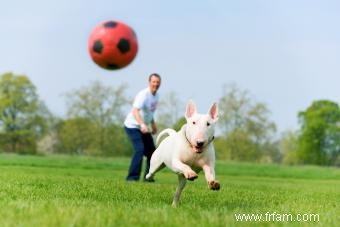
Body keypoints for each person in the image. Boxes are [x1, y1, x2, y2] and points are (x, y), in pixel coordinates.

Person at [124, 73, 161, 182]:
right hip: (133, 126)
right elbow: (135, 111)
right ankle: (132, 178)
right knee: (139, 150)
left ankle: (148, 178)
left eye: (158, 82)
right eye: (153, 82)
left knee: (152, 153)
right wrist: (142, 124)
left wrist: (153, 124)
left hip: (143, 126)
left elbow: (149, 112)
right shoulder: (143, 95)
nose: (156, 84)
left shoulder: (157, 96)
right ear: (149, 82)